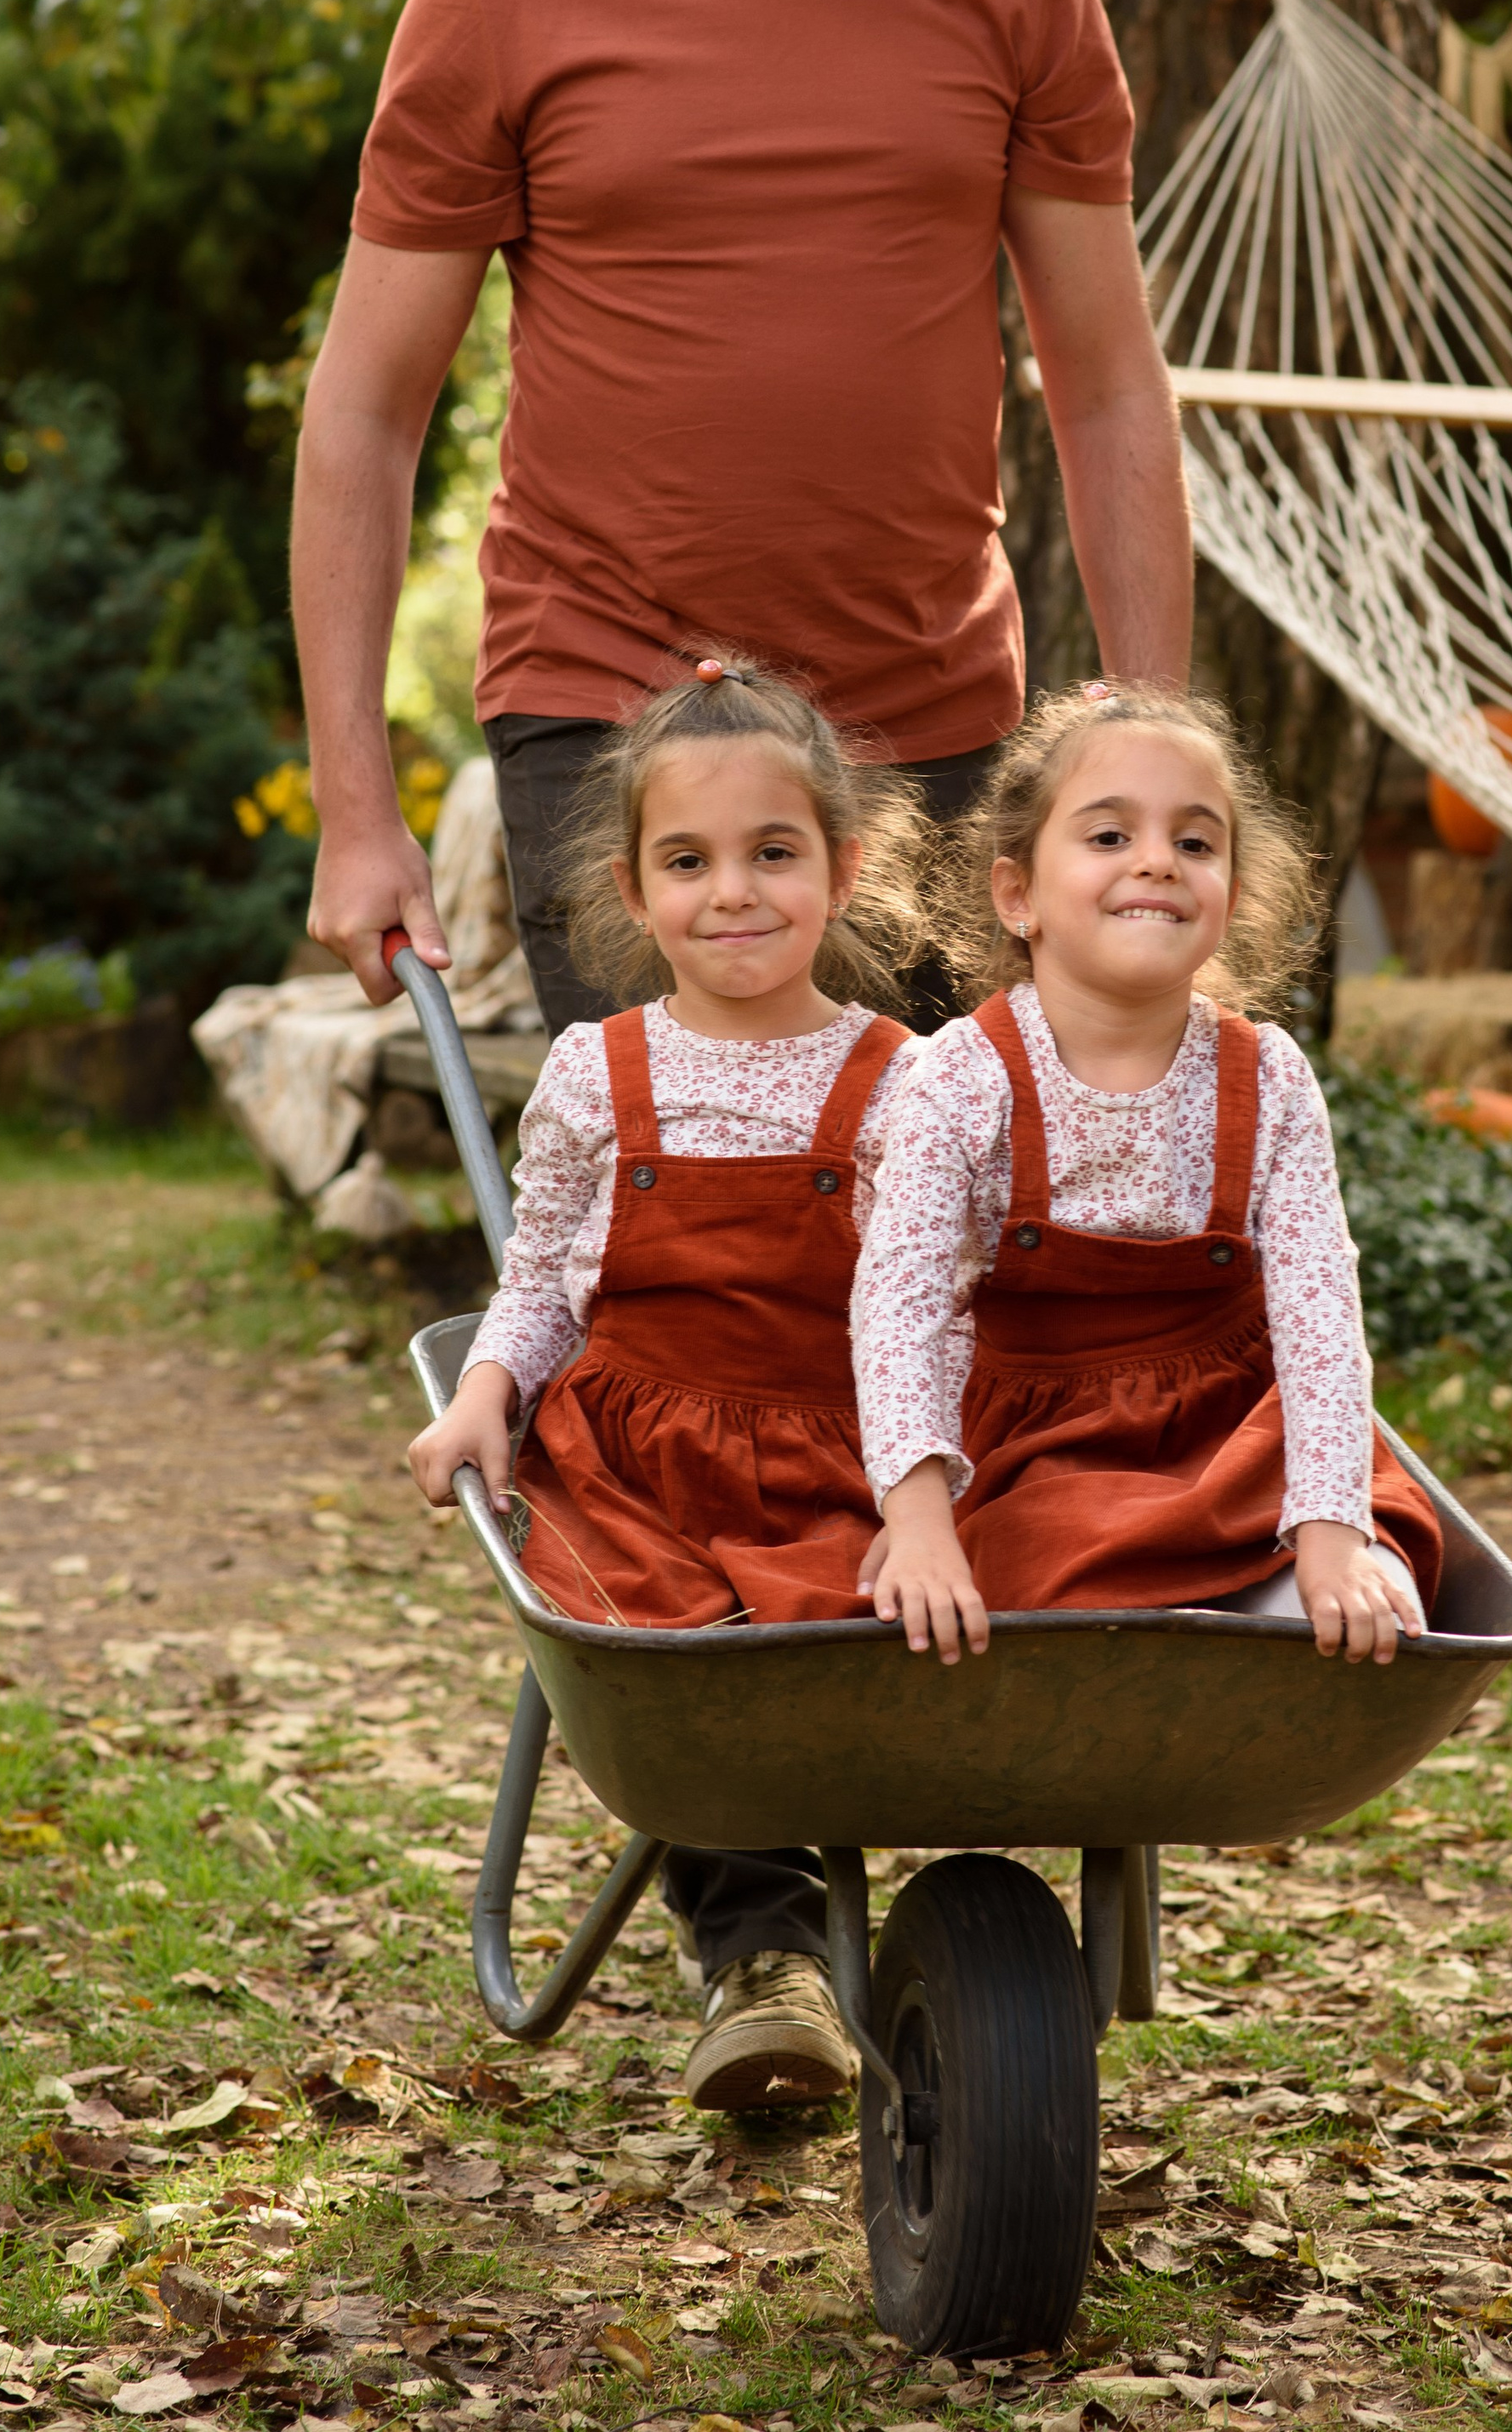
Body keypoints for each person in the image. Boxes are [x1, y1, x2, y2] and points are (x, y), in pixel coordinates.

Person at [293, 0, 1193, 2104]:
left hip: (935, 734)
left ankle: (939, 1775)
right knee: (710, 1278)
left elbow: (1106, 383)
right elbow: (362, 413)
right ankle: (760, 1911)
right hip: (620, 736)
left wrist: (1133, 753)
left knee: (979, 1265)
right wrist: (362, 803)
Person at [408, 659, 925, 2104]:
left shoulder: (906, 1076)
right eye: (688, 862)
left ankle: (947, 1929)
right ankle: (763, 1958)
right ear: (635, 895)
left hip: (838, 1443)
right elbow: (544, 1282)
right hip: (641, 1454)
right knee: (673, 1662)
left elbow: (929, 1305)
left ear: (842, 869)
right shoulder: (596, 1068)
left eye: (774, 853)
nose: (734, 894)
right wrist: (486, 1394)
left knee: (873, 1629)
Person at [848, 682, 1442, 1664]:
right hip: (1046, 1447)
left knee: (1367, 1598)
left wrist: (1333, 1528)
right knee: (1045, 1577)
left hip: (1229, 1437)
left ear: (1232, 897)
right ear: (1018, 895)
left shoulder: (1268, 1079)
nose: (1157, 860)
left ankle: (1268, 1608)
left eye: (1195, 842)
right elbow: (898, 1307)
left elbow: (1319, 1315)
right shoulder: (961, 1073)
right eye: (1108, 837)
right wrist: (914, 1517)